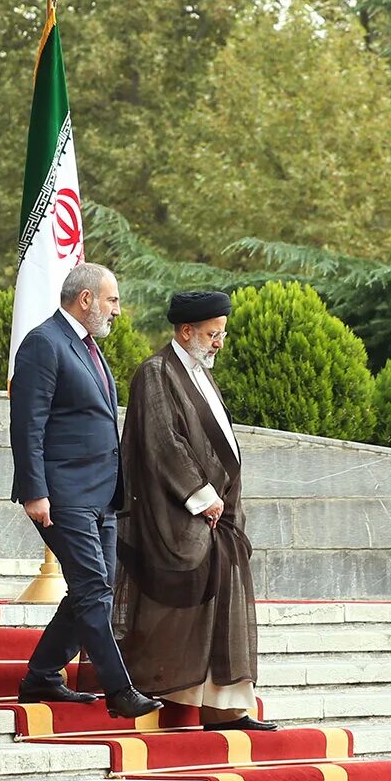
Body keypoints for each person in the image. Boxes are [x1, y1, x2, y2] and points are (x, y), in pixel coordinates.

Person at [112, 291, 277, 732]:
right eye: (212, 334)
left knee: (223, 611)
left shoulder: (199, 373)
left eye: (221, 333)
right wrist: (202, 496)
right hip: (181, 515)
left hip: (217, 517)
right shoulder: (156, 371)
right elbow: (162, 441)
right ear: (186, 331)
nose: (220, 342)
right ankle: (162, 689)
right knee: (176, 609)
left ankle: (225, 707)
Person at [9, 263, 163, 719]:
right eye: (112, 300)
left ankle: (41, 677)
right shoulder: (44, 343)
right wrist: (35, 491)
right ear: (86, 300)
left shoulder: (88, 347)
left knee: (94, 588)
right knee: (93, 587)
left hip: (101, 495)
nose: (118, 309)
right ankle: (120, 690)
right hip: (62, 495)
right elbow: (27, 424)